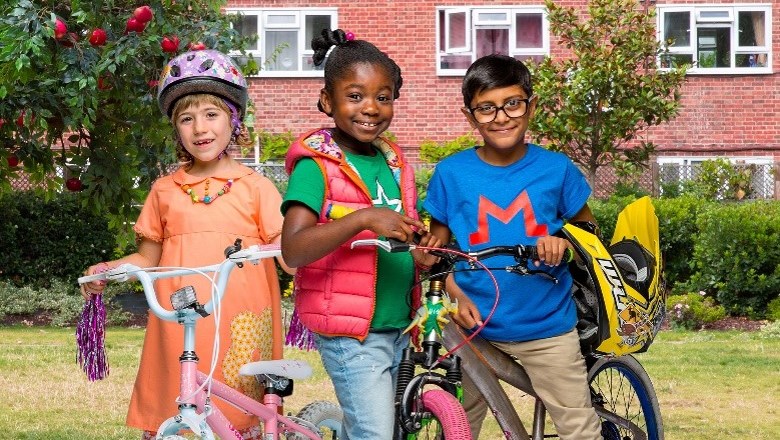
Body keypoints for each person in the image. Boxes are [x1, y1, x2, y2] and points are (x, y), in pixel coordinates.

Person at [81, 49, 291, 440]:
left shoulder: (256, 187)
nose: (200, 128)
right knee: (179, 395)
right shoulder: (165, 190)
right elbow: (148, 257)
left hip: (240, 316)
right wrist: (108, 269)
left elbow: (286, 250)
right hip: (180, 317)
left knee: (238, 405)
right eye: (186, 118)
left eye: (211, 114)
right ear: (177, 130)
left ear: (233, 119)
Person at [423, 54, 603, 440]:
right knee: (457, 423)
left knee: (578, 426)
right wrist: (453, 291)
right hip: (475, 327)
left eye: (512, 103)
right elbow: (440, 254)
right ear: (470, 116)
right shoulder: (451, 174)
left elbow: (589, 236)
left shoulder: (556, 169)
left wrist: (563, 243)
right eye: (486, 108)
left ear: (531, 106)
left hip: (546, 327)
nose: (501, 117)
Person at [281, 28, 440, 440]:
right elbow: (294, 249)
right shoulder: (315, 167)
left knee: (389, 431)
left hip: (400, 325)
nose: (370, 107)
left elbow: (396, 238)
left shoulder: (394, 164)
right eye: (355, 96)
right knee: (375, 434)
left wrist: (418, 253)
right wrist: (362, 218)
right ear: (326, 101)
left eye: (383, 97)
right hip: (352, 334)